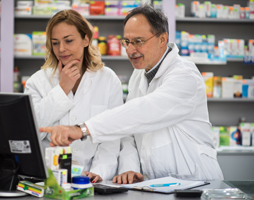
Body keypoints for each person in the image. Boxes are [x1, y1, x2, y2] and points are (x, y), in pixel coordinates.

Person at [39, 5, 224, 184]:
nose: (130, 49)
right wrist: (129, 168)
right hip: (155, 183)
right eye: (126, 42)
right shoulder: (139, 76)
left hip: (196, 181)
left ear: (162, 39)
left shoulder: (185, 75)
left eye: (138, 41)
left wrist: (83, 129)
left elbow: (144, 112)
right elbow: (129, 133)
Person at [24, 9, 123, 183]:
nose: (61, 49)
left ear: (86, 39)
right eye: (55, 43)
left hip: (90, 180)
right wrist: (62, 89)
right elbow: (30, 132)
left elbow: (111, 136)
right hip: (48, 181)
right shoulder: (37, 82)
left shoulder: (108, 80)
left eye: (68, 41)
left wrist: (99, 172)